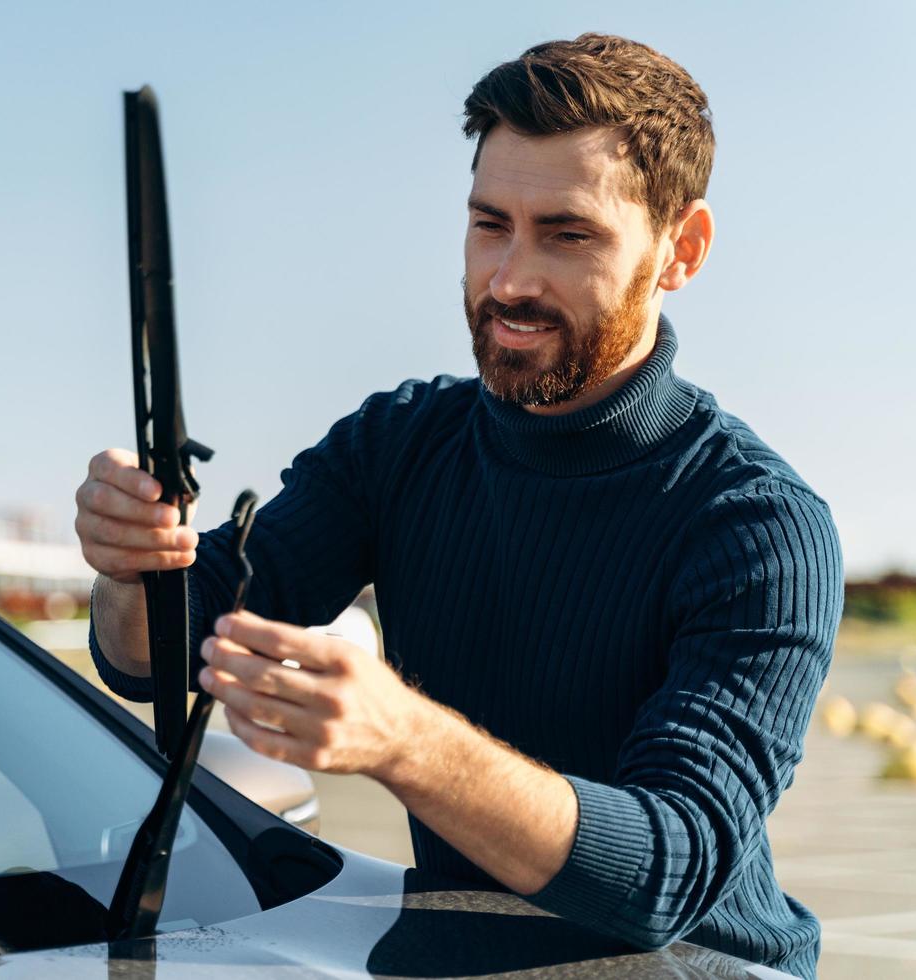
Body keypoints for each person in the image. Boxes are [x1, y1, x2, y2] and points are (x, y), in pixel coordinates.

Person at [76, 33, 842, 978]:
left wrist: (404, 738)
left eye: (568, 234)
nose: (511, 279)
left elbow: (664, 872)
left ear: (680, 249)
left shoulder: (759, 528)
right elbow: (167, 654)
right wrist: (129, 566)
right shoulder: (398, 444)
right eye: (490, 224)